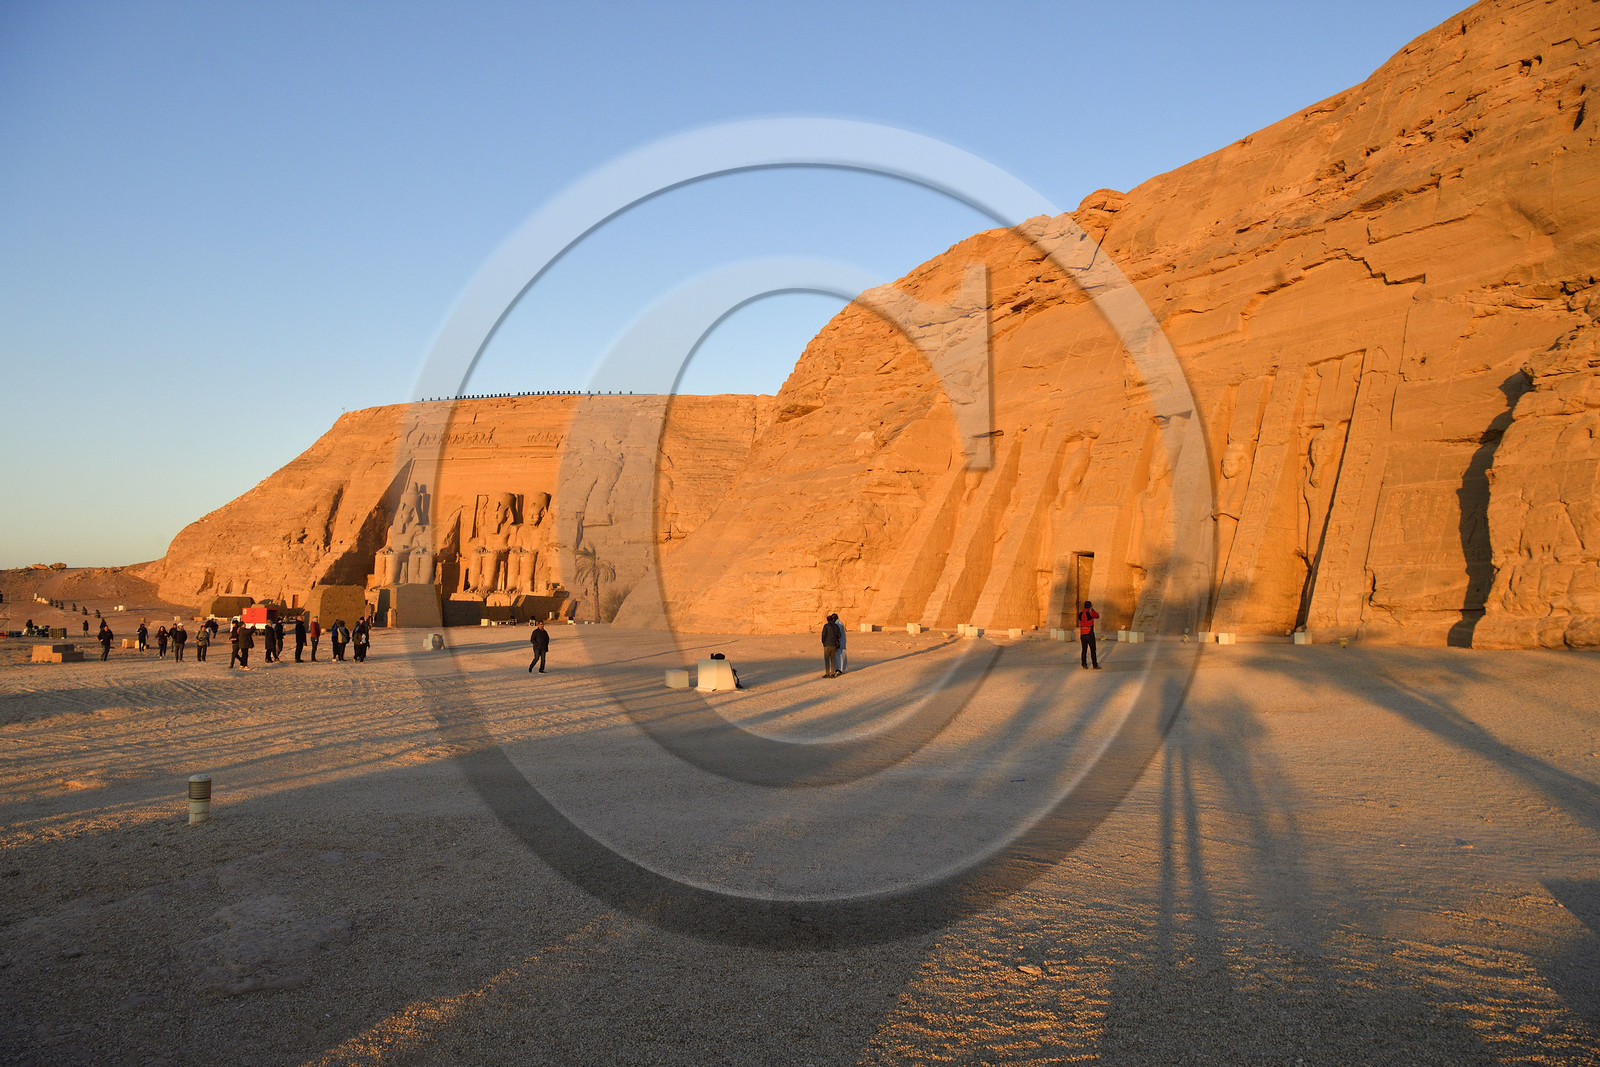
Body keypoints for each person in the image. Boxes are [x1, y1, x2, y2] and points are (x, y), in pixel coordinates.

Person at [1077, 600, 1101, 670]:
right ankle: (1095, 664)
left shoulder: (1080, 614)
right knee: (1093, 650)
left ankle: (1084, 664)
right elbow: (1097, 616)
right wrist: (1092, 610)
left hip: (1082, 634)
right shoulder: (1090, 613)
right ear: (1090, 606)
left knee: (1084, 650)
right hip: (1089, 633)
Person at [821, 613, 843, 678]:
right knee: (833, 659)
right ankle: (832, 673)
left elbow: (823, 635)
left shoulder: (826, 626)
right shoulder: (836, 626)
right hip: (834, 645)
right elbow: (839, 635)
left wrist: (823, 642)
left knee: (827, 659)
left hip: (827, 645)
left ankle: (827, 673)